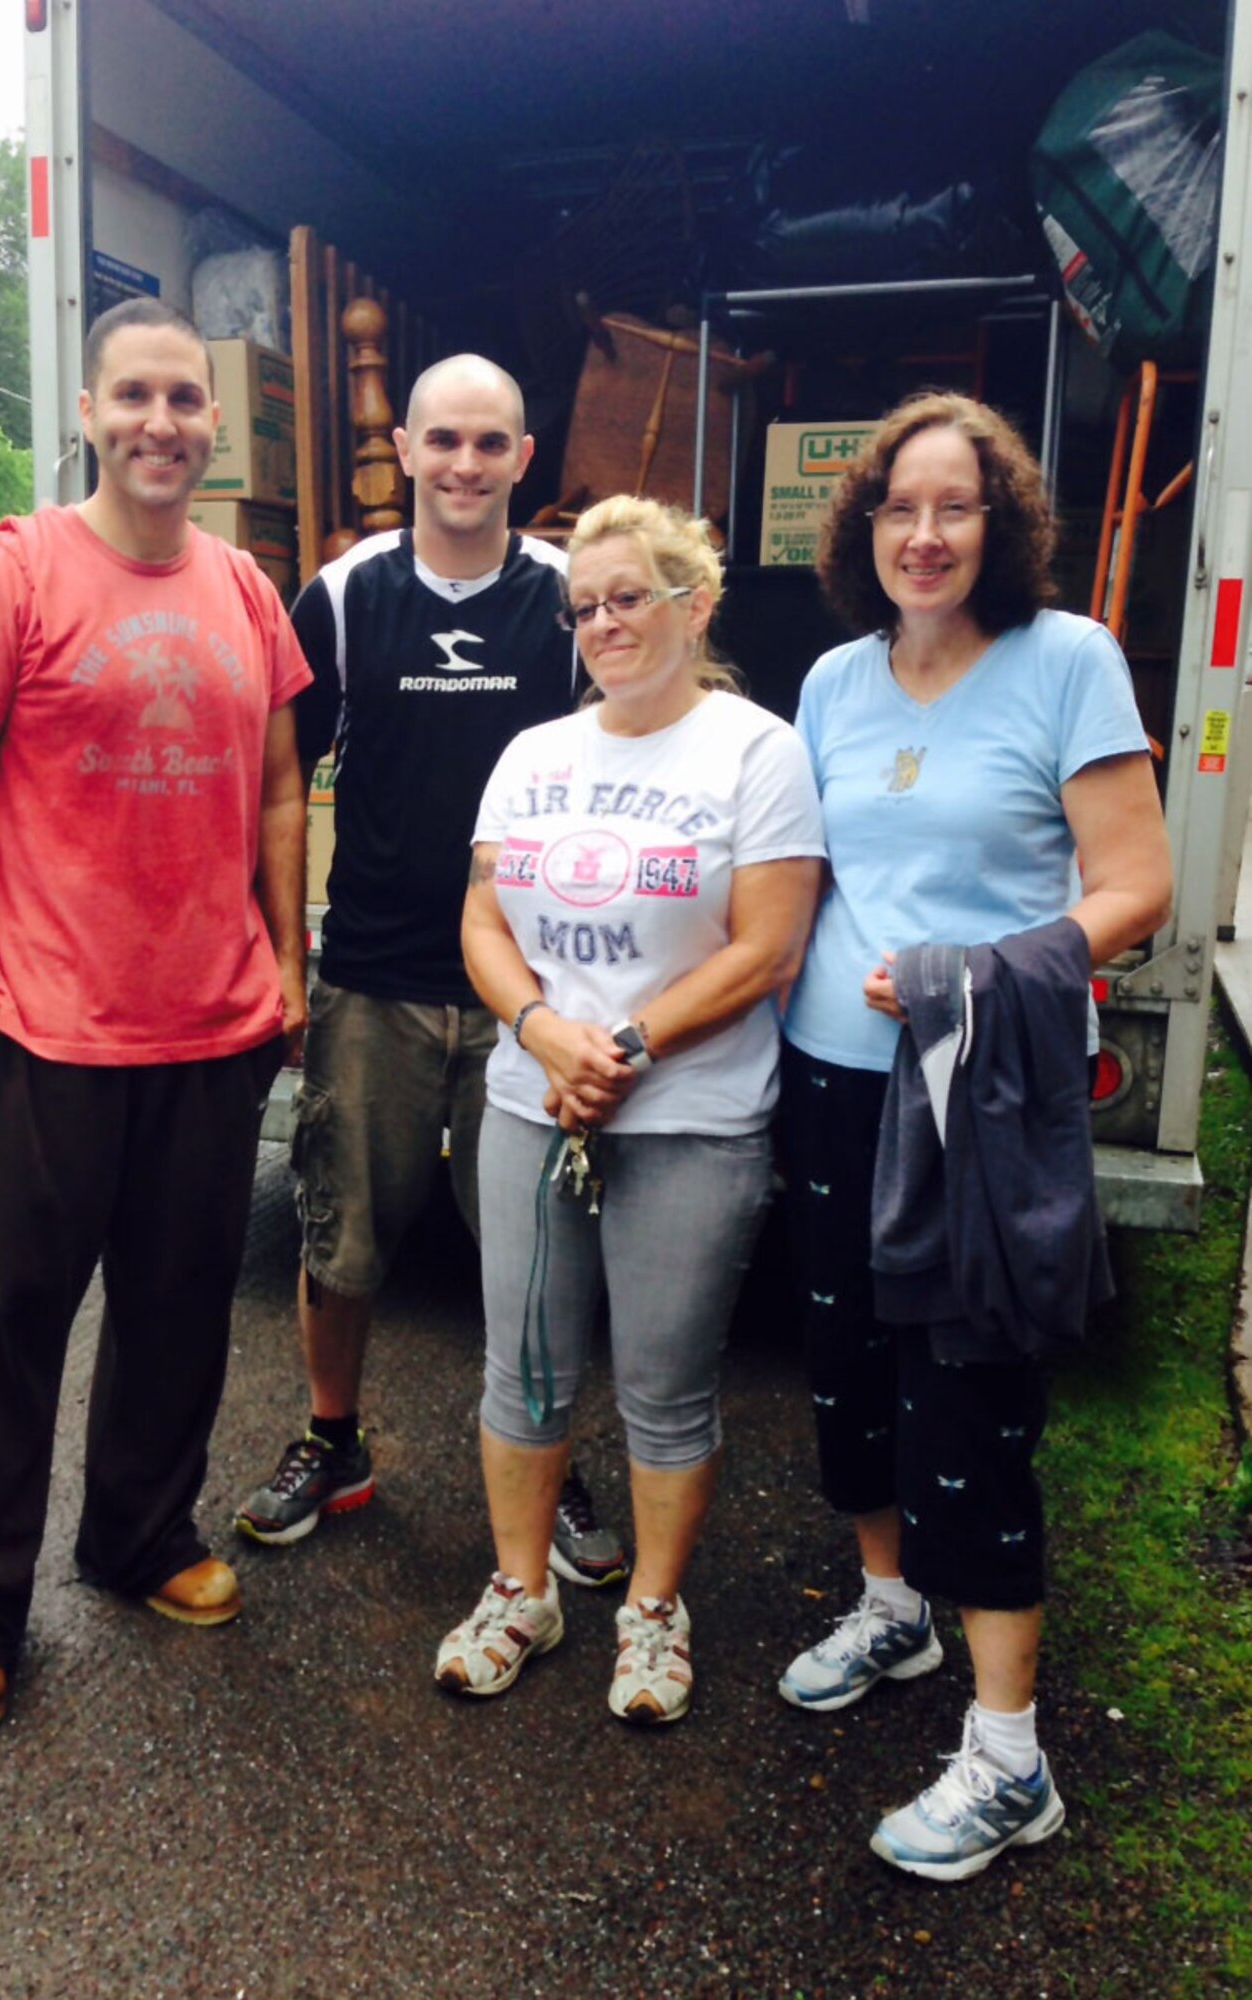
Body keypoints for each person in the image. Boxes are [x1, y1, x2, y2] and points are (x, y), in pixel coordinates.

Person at [0, 297, 312, 1736]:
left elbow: (273, 787)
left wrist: (286, 960)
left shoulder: (249, 592)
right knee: (11, 1324)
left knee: (181, 1311)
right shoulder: (13, 574)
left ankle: (140, 1538)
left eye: (186, 400)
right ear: (86, 411)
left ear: (213, 423)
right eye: (133, 395)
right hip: (49, 1031)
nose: (161, 422)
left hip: (212, 1026)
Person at [777, 391, 1173, 1875]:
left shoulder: (1062, 663)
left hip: (979, 1087)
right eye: (897, 508)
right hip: (831, 1075)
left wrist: (973, 973)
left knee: (971, 1396)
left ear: (1000, 524)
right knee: (846, 1368)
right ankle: (892, 1613)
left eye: (955, 507)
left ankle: (1009, 1758)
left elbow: (1131, 883)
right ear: (863, 529)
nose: (924, 534)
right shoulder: (828, 682)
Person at [234, 355, 626, 1586]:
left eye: (491, 443)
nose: (465, 464)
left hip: (533, 992)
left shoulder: (571, 596)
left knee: (539, 1246)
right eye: (442, 439)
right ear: (402, 449)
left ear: (525, 457)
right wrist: (287, 956)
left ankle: (552, 1464)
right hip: (375, 977)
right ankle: (334, 1440)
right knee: (342, 1236)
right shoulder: (343, 596)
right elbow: (281, 783)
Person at [435, 495, 824, 1723]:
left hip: (689, 1117)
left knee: (664, 1384)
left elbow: (769, 946)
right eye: (585, 605)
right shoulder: (533, 754)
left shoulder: (757, 751)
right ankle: (520, 1589)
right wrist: (542, 1030)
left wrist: (630, 1041)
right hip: (531, 1101)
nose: (603, 621)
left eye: (629, 597)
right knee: (524, 1370)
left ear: (692, 604)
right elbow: (484, 920)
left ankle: (654, 1607)